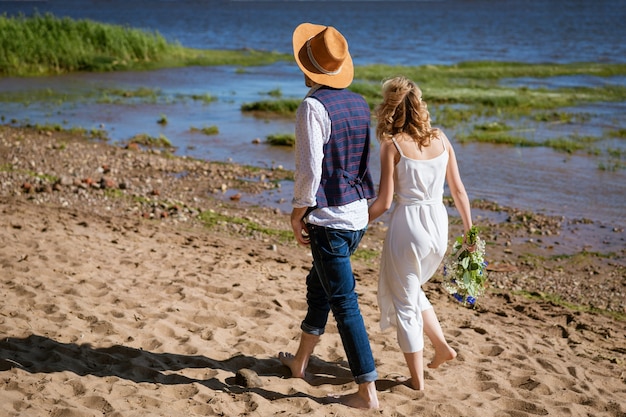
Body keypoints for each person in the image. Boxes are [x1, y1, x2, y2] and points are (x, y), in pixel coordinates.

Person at [278, 23, 379, 409]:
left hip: (330, 222)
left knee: (345, 304)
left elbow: (310, 171)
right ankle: (300, 363)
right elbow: (359, 161)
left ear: (307, 67)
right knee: (320, 286)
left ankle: (366, 393)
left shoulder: (312, 106)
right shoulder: (359, 102)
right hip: (358, 216)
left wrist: (296, 212)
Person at [368, 76, 473, 391]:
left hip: (408, 226)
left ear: (391, 107)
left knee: (405, 302)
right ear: (420, 105)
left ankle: (417, 381)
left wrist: (357, 222)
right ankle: (442, 347)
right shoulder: (441, 139)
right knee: (411, 289)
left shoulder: (392, 144)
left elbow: (384, 202)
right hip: (438, 226)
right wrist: (469, 231)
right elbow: (458, 189)